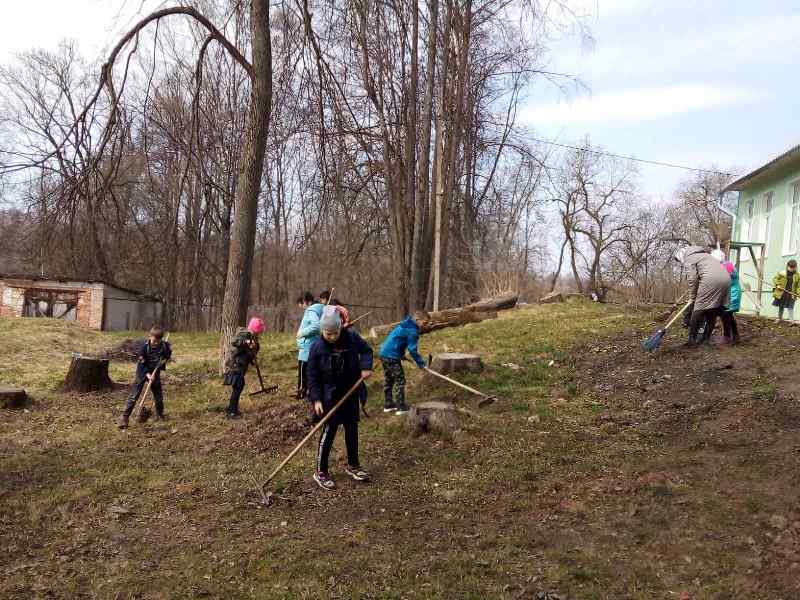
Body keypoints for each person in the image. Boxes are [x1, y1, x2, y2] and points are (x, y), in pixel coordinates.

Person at [307, 306, 373, 490]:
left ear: (340, 328)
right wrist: (317, 399)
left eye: (335, 333)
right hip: (329, 396)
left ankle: (353, 465)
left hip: (350, 392)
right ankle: (321, 471)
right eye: (328, 333)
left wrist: (366, 367)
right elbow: (311, 376)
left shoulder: (351, 337)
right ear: (322, 331)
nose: (332, 337)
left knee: (352, 428)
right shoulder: (317, 347)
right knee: (329, 431)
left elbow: (366, 350)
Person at [675, 246, 731, 347]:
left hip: (711, 280)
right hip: (726, 279)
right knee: (713, 309)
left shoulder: (689, 258)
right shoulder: (705, 255)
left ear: (681, 256)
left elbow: (693, 279)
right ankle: (705, 340)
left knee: (698, 309)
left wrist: (692, 297)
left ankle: (692, 340)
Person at [118, 326, 172, 428]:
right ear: (150, 336)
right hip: (142, 372)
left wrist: (164, 359)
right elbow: (142, 363)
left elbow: (167, 355)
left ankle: (160, 415)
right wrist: (148, 374)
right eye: (154, 341)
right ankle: (124, 418)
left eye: (158, 341)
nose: (156, 343)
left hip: (155, 372)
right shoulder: (144, 347)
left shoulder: (164, 346)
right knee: (134, 395)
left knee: (158, 396)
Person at [378, 313, 427, 415]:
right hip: (391, 356)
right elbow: (412, 350)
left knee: (389, 379)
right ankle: (401, 407)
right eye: (424, 322)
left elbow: (397, 340)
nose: (425, 325)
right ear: (417, 319)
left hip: (383, 353)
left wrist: (401, 355)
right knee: (400, 380)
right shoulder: (412, 331)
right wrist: (421, 363)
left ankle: (388, 404)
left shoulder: (404, 324)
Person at [222, 317, 265, 419]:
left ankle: (231, 408)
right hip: (236, 365)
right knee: (238, 386)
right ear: (255, 329)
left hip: (241, 365)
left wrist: (252, 358)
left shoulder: (253, 337)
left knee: (239, 387)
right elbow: (234, 341)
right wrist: (246, 342)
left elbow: (249, 352)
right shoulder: (244, 334)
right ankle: (231, 411)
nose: (259, 334)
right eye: (258, 332)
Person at [296, 292, 324, 400]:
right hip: (313, 346)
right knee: (312, 372)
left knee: (304, 372)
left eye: (302, 305)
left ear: (306, 302)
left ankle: (302, 393)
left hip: (307, 349)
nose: (302, 308)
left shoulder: (311, 310)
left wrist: (302, 333)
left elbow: (316, 327)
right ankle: (309, 393)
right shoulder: (320, 309)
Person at [720, 259, 741, 344]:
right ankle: (735, 335)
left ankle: (727, 337)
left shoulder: (726, 266)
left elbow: (725, 280)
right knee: (729, 315)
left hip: (732, 293)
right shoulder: (727, 265)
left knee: (725, 314)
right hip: (732, 292)